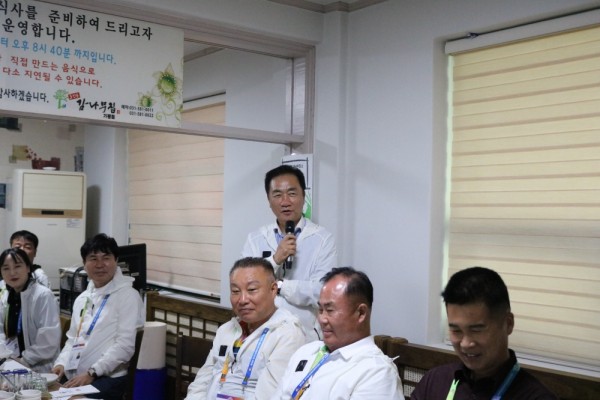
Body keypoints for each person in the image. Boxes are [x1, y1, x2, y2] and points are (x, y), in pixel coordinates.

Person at [411, 266, 558, 400]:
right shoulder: (435, 381)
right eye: (456, 330)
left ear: (508, 324)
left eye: (476, 330)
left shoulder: (536, 397)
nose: (465, 344)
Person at [271, 267, 404, 400]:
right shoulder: (306, 351)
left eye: (330, 310)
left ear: (361, 313)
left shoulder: (376, 372)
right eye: (320, 310)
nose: (322, 319)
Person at [186, 257, 306, 400]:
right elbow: (201, 383)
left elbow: (269, 396)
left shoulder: (287, 335)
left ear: (273, 289)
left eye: (252, 290)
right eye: (235, 291)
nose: (242, 300)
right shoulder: (226, 330)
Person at [242, 165, 337, 341]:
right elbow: (246, 284)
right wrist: (275, 259)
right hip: (261, 334)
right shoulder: (255, 239)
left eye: (292, 193)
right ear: (269, 200)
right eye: (277, 195)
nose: (285, 201)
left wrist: (280, 286)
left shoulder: (322, 239)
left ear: (303, 196)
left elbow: (321, 292)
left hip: (303, 336)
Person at [52, 234, 145, 400]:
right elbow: (73, 339)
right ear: (84, 263)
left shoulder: (128, 296)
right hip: (77, 375)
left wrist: (93, 372)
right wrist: (61, 363)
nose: (100, 264)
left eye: (106, 258)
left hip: (109, 377)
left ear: (116, 260)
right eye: (93, 258)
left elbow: (124, 346)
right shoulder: (82, 299)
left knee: (71, 398)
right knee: (47, 391)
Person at [0, 248, 61, 372]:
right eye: (6, 268)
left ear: (28, 268)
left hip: (39, 367)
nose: (12, 272)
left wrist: (24, 360)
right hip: (10, 363)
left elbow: (48, 342)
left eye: (17, 266)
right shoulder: (6, 296)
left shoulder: (43, 295)